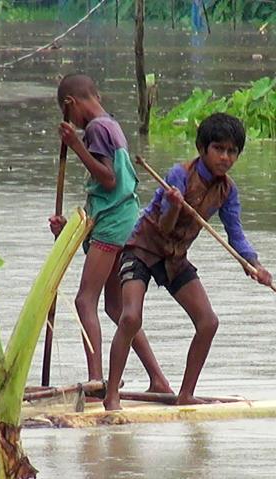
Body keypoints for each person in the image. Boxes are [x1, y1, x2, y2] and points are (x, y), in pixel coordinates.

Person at [104, 113, 273, 410]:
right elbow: (165, 225)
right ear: (202, 148)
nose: (225, 157)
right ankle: (111, 396)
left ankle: (185, 395)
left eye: (232, 151)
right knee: (130, 318)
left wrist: (254, 265)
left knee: (208, 322)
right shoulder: (179, 175)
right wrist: (173, 205)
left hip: (175, 257)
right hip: (142, 249)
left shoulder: (227, 191)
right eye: (218, 149)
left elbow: (236, 235)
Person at [50, 73, 172, 394]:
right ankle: (158, 380)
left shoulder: (95, 129)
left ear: (71, 104)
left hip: (114, 224)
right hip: (123, 220)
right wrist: (68, 231)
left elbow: (108, 180)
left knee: (84, 301)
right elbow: (106, 191)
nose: (73, 123)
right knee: (116, 309)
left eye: (68, 114)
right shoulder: (111, 125)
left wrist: (76, 145)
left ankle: (96, 381)